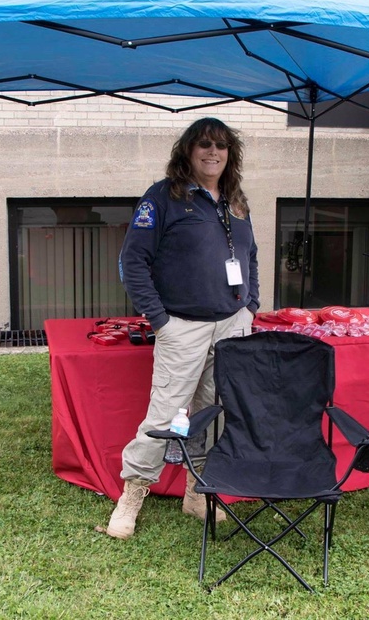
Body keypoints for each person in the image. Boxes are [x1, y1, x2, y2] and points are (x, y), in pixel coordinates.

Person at [104, 117, 259, 539]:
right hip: (183, 327)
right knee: (166, 414)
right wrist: (161, 321)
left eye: (222, 146)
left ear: (231, 153)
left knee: (214, 414)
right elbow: (132, 262)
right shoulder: (163, 197)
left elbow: (251, 256)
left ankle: (196, 492)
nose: (213, 153)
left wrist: (251, 306)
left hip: (231, 325)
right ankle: (132, 496)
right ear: (188, 151)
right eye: (204, 145)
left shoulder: (236, 199)